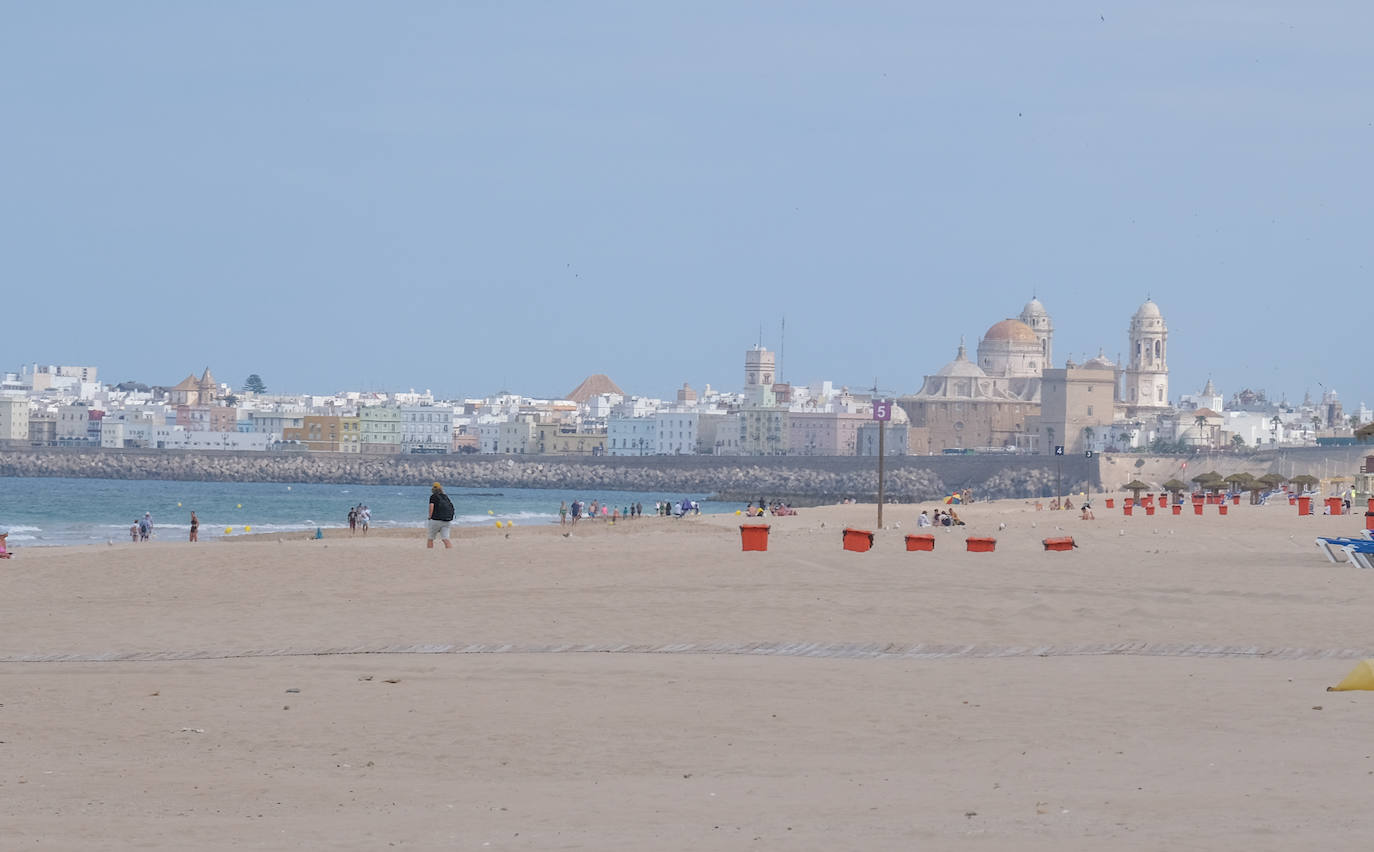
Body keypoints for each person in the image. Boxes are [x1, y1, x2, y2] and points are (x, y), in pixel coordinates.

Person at [427, 482, 455, 550]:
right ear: (441, 488)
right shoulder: (445, 496)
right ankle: (450, 553)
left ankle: (429, 553)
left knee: (430, 538)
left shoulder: (433, 496)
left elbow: (431, 507)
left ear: (433, 489)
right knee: (445, 539)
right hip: (446, 520)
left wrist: (430, 517)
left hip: (435, 520)